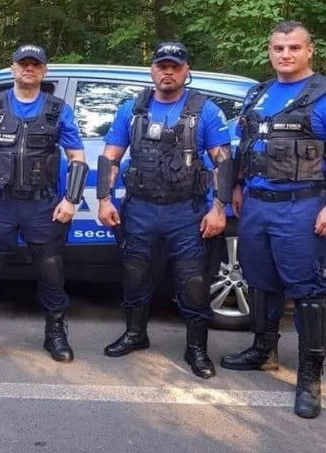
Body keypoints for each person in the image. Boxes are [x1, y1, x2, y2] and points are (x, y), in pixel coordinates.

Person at [219, 21, 326, 418]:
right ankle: (263, 351)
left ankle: (309, 377)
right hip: (256, 205)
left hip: (302, 207)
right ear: (270, 51)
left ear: (309, 50)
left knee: (309, 290)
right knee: (261, 282)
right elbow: (243, 146)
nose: (285, 54)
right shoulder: (258, 94)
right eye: (278, 48)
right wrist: (236, 187)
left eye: (294, 48)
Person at [97, 42, 235, 379]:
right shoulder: (132, 109)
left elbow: (222, 162)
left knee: (193, 282)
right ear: (153, 70)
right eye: (162, 66)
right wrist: (104, 199)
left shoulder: (205, 111)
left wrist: (219, 208)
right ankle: (135, 334)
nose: (168, 72)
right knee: (134, 275)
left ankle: (196, 349)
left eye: (175, 66)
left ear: (186, 71)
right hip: (140, 210)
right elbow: (110, 156)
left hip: (186, 212)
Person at [0, 44, 88, 365]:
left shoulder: (58, 110)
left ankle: (55, 332)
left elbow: (77, 157)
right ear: (12, 68)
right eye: (23, 63)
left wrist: (71, 200)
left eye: (35, 64)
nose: (29, 68)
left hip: (42, 204)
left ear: (44, 71)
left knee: (50, 267)